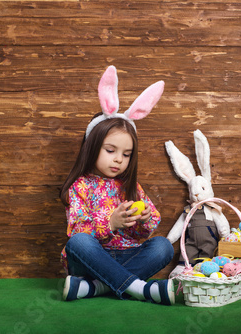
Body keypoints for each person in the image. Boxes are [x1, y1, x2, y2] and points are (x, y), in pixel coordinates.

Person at [58, 66, 174, 305]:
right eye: (111, 151)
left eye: (127, 154)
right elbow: (78, 231)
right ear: (92, 146)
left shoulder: (131, 186)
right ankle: (141, 289)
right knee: (78, 242)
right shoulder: (80, 186)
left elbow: (144, 232)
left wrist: (144, 218)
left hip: (127, 255)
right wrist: (111, 223)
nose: (119, 159)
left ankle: (95, 288)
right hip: (91, 260)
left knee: (163, 246)